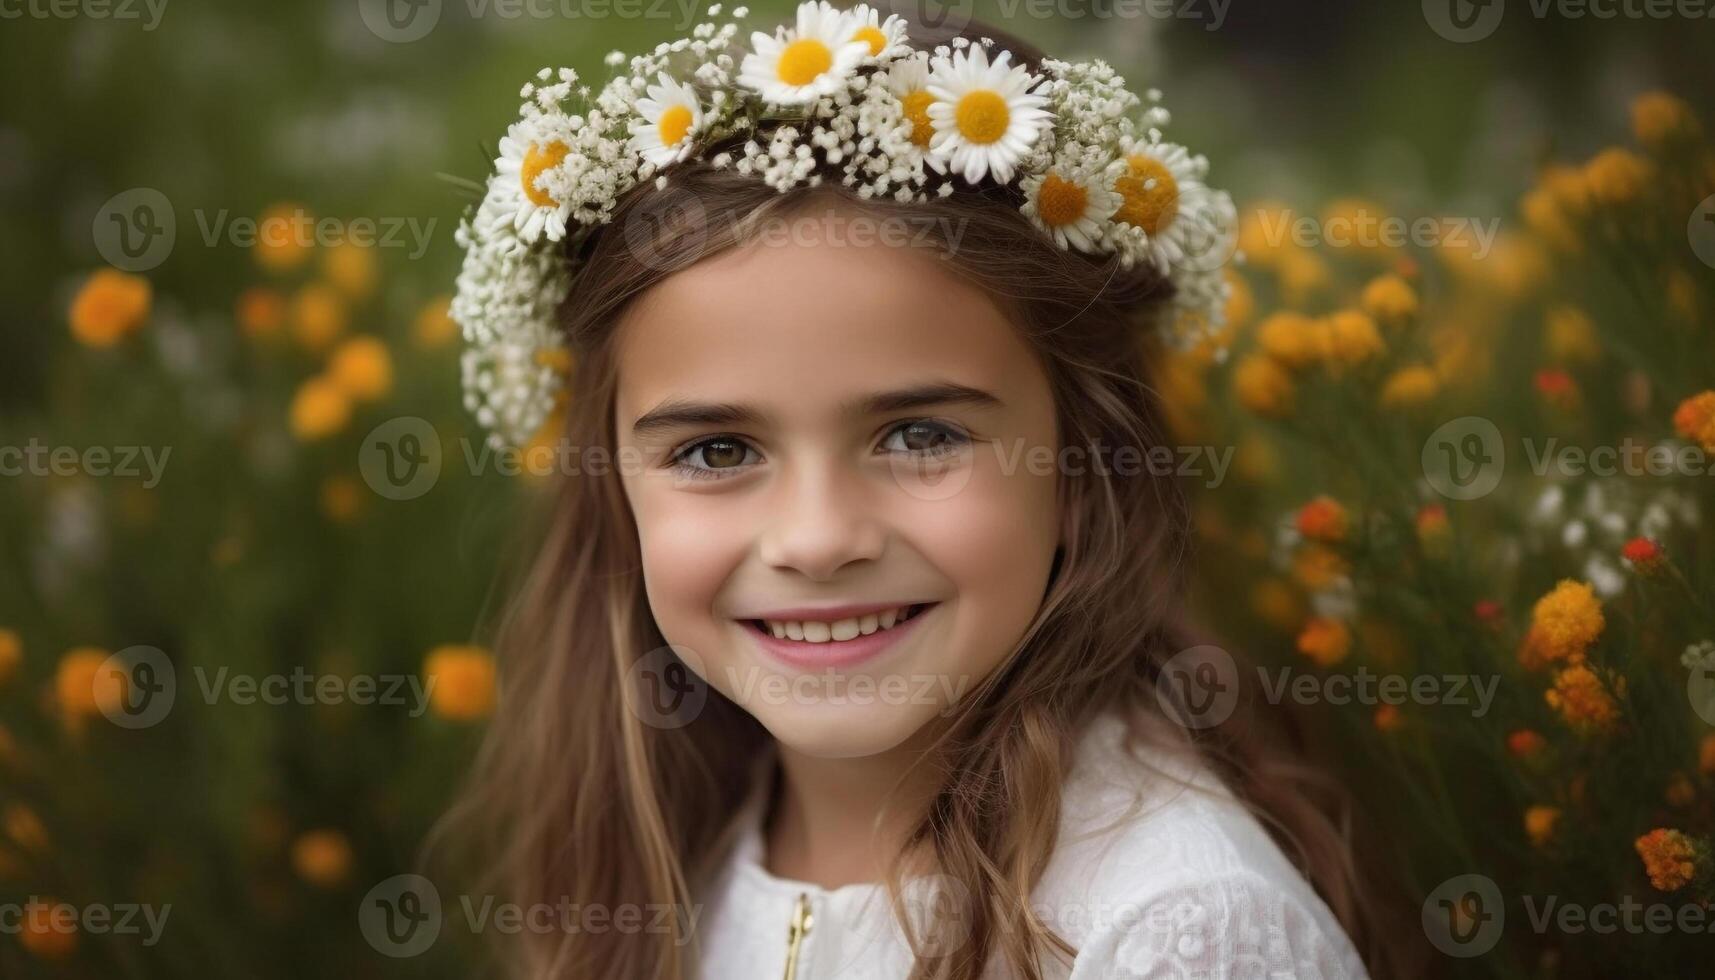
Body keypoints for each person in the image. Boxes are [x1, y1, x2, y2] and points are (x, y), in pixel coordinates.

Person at [437, 4, 1385, 976]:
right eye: (717, 451)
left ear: (1083, 463)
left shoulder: (1174, 927)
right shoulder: (681, 859)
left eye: (919, 434)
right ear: (614, 491)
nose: (814, 538)